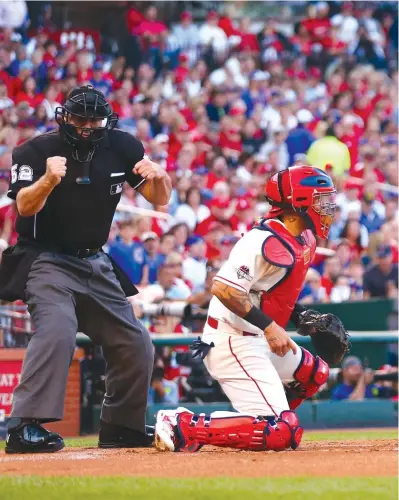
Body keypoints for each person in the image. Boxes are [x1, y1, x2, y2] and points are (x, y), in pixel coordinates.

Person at [1, 85, 172, 454]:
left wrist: (160, 176)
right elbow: (24, 208)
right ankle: (24, 427)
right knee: (58, 329)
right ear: (65, 117)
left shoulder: (122, 146)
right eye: (81, 119)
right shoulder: (35, 150)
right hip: (45, 258)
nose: (87, 127)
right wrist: (48, 179)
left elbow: (159, 199)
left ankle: (122, 427)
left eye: (95, 120)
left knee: (134, 340)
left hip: (95, 259)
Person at [154, 165, 336, 453]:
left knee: (315, 374)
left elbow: (271, 295)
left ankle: (264, 415)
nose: (327, 207)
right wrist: (269, 326)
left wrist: (303, 316)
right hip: (232, 341)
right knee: (280, 432)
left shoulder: (303, 238)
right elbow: (224, 288)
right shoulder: (261, 240)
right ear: (297, 203)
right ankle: (183, 424)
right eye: (320, 200)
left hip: (259, 337)